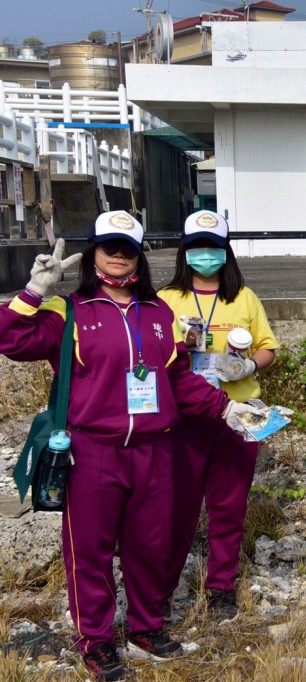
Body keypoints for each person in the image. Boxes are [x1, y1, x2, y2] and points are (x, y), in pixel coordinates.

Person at [0, 212, 256, 681]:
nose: (118, 256)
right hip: (94, 451)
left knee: (150, 546)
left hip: (156, 450)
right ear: (94, 252)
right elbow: (8, 339)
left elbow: (178, 378)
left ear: (139, 255)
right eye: (108, 247)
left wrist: (226, 409)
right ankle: (96, 642)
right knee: (91, 552)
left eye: (126, 248)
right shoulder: (70, 310)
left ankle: (145, 627)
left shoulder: (159, 314)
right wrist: (34, 292)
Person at [158, 210, 279, 623]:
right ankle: (162, 590)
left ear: (225, 251)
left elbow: (267, 347)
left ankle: (221, 588)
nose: (205, 255)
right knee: (178, 509)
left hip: (240, 416)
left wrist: (249, 368)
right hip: (185, 418)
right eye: (197, 247)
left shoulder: (243, 297)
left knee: (229, 507)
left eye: (213, 248)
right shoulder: (165, 299)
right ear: (185, 251)